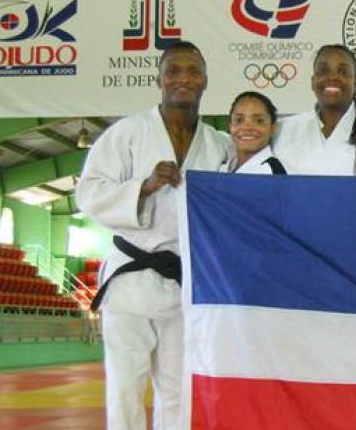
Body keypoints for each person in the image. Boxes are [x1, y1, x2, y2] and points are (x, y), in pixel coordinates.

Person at [76, 41, 231, 430]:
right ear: (159, 79)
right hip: (130, 281)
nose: (183, 79)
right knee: (125, 388)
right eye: (173, 70)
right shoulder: (126, 133)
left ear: (205, 80)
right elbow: (88, 192)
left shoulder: (219, 145)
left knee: (178, 389)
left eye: (192, 71)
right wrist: (142, 188)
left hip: (184, 283)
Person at [273, 44, 356, 175]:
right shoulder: (283, 131)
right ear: (313, 81)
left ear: (355, 83)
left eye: (343, 72)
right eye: (323, 71)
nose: (332, 77)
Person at [220, 91, 285, 175]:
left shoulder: (272, 173)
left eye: (259, 121)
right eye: (239, 120)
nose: (247, 127)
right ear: (229, 126)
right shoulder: (223, 166)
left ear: (272, 128)